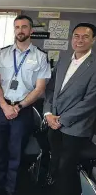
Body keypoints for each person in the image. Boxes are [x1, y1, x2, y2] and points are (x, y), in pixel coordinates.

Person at [0, 15, 51, 195]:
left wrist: (19, 107)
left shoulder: (40, 57)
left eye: (24, 27)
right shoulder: (3, 53)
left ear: (31, 31)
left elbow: (39, 89)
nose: (20, 30)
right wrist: (4, 106)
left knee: (16, 154)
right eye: (17, 27)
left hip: (24, 111)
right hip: (2, 108)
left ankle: (10, 190)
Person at [44, 23, 96, 195]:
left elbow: (90, 101)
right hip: (53, 122)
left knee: (66, 166)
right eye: (76, 36)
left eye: (85, 36)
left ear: (93, 40)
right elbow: (51, 89)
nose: (79, 40)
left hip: (75, 127)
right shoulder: (65, 58)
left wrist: (62, 120)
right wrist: (49, 114)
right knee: (55, 160)